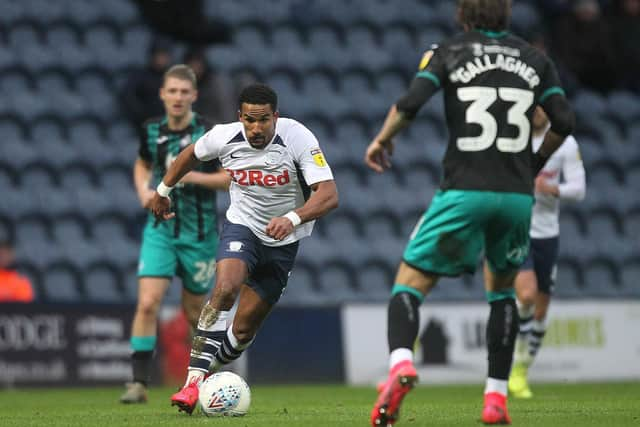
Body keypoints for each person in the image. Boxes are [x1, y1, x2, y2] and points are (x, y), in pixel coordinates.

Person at [363, 0, 575, 425]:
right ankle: (495, 399)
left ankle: (401, 364)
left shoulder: (449, 51)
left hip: (464, 189)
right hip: (516, 199)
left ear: (464, 15)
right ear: (506, 14)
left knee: (409, 282)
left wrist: (382, 140)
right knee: (501, 292)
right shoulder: (535, 59)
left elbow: (409, 103)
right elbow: (564, 121)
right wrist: (530, 166)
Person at [148, 83, 339, 414]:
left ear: (275, 117)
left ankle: (208, 374)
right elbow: (191, 154)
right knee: (224, 288)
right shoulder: (225, 136)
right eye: (250, 120)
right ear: (240, 117)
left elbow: (329, 194)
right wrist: (164, 189)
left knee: (243, 331)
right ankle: (192, 384)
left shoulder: (298, 138)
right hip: (243, 227)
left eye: (263, 120)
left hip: (284, 241)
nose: (256, 128)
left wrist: (292, 218)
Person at [120, 64, 231, 404]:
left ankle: (203, 381)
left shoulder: (209, 132)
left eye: (185, 92)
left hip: (199, 234)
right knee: (148, 302)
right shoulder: (151, 130)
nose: (178, 97)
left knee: (196, 313)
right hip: (160, 231)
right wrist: (142, 191)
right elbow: (141, 163)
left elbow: (229, 177)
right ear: (162, 94)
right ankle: (138, 383)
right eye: (173, 91)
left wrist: (193, 177)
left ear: (194, 96)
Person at [508, 106, 586, 398]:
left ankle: (521, 368)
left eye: (543, 105)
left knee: (540, 311)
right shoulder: (515, 137)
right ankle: (512, 364)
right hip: (519, 228)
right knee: (526, 295)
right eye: (534, 105)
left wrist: (551, 188)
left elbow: (579, 189)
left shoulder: (565, 143)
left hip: (548, 234)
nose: (538, 111)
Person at [121, 38, 173, 140]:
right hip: (144, 127)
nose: (161, 59)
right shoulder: (141, 76)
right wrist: (142, 115)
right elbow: (128, 96)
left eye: (164, 56)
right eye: (159, 55)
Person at [0, 238, 34, 303]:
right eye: (1, 253)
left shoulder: (21, 280)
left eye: (7, 253)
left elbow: (24, 306)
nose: (3, 256)